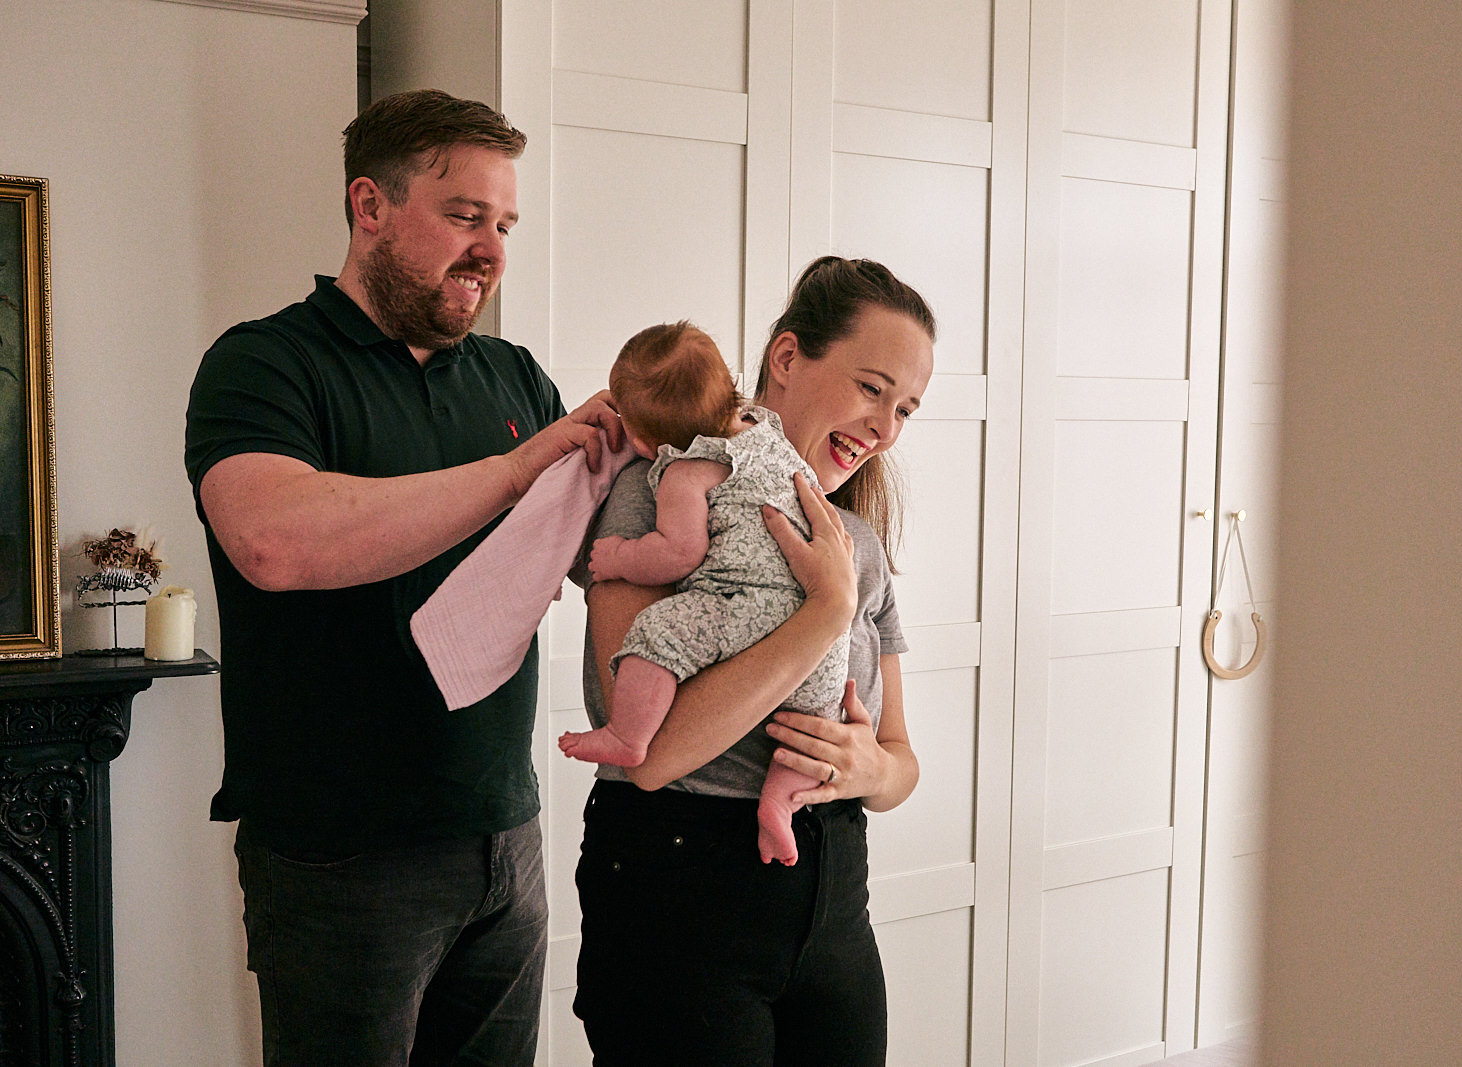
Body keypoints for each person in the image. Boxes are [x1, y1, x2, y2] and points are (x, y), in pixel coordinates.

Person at [183, 88, 622, 1067]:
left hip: (506, 836)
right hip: (341, 860)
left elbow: (597, 562)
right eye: (465, 215)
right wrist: (513, 472)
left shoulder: (515, 380)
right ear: (369, 206)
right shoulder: (266, 365)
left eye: (503, 224)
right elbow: (272, 539)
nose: (492, 248)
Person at [571, 256, 936, 1065]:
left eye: (906, 407)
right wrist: (824, 614)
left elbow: (902, 761)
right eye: (872, 387)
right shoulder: (664, 491)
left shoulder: (858, 543)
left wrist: (865, 770)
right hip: (680, 890)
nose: (886, 426)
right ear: (786, 358)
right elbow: (657, 755)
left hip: (835, 895)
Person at [557, 320, 849, 865]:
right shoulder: (769, 434)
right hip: (816, 635)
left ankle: (627, 732)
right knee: (809, 723)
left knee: (656, 633)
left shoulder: (685, 472)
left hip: (744, 605)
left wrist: (620, 555)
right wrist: (831, 609)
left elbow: (679, 553)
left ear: (645, 441)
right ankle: (780, 805)